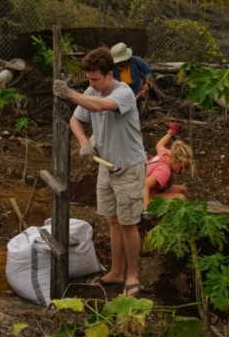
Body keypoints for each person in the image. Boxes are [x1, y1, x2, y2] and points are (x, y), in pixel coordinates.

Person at [53, 46, 146, 297]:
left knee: (128, 223)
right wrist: (84, 143)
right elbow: (75, 119)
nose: (91, 83)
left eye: (95, 78)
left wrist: (70, 93)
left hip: (128, 167)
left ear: (109, 74)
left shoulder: (124, 92)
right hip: (107, 166)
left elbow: (101, 107)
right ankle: (116, 272)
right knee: (112, 220)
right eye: (88, 79)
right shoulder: (91, 91)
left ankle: (132, 275)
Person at [144, 122, 193, 213]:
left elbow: (159, 145)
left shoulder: (166, 154)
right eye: (182, 167)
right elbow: (145, 185)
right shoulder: (164, 171)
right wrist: (146, 210)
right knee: (180, 198)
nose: (183, 171)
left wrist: (171, 132)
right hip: (140, 198)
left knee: (182, 189)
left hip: (148, 192)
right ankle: (159, 221)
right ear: (174, 161)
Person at [110, 42, 152, 113]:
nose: (119, 63)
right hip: (119, 95)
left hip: (135, 93)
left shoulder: (136, 61)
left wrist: (146, 83)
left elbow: (147, 71)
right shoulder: (112, 66)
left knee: (135, 113)